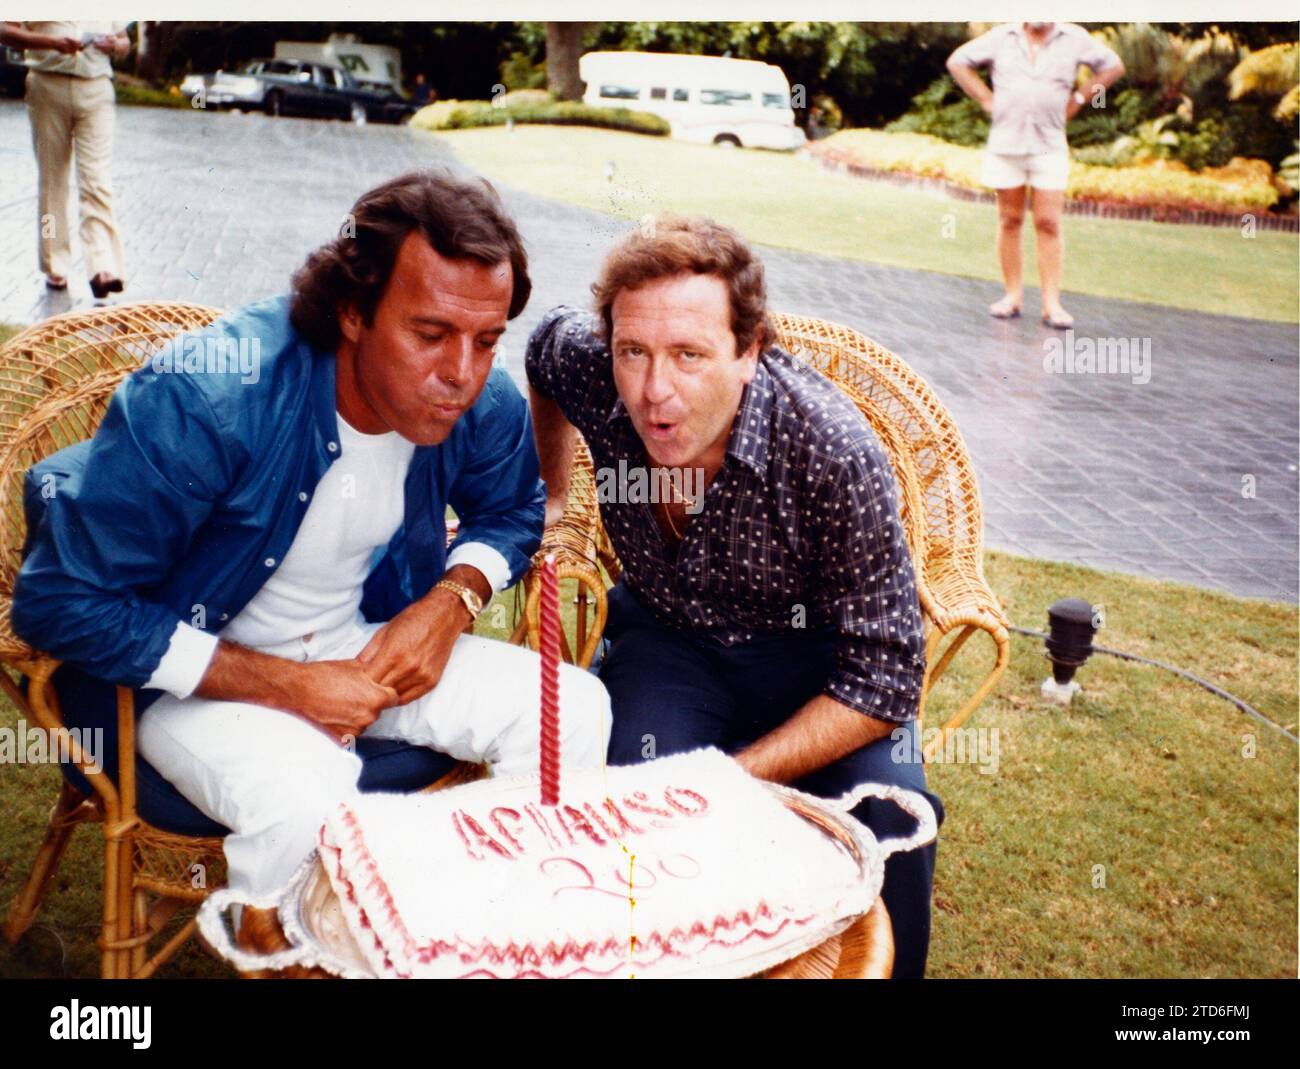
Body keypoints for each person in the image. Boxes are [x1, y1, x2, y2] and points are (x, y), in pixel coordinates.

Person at [11, 171, 612, 933]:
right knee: (314, 799)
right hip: (183, 682)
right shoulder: (209, 399)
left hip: (358, 647)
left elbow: (519, 507)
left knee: (573, 708)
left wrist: (451, 599)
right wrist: (292, 688)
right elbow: (60, 602)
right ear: (352, 312)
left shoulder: (472, 397)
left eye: (487, 339)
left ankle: (502, 930)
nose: (463, 373)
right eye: (430, 334)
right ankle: (284, 939)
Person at [526, 215, 940, 978]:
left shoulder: (833, 451)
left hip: (818, 670)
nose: (656, 391)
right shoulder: (589, 363)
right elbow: (541, 350)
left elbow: (884, 677)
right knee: (631, 814)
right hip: (668, 640)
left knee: (888, 815)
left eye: (690, 355)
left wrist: (729, 780)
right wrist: (553, 489)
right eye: (634, 353)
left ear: (750, 350)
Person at [947, 22, 1124, 328]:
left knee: (1048, 223)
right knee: (1009, 219)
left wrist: (1080, 99)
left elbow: (1112, 67)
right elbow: (958, 62)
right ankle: (1012, 296)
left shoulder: (1074, 38)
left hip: (1050, 145)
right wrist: (986, 100)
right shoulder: (1002, 36)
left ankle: (1051, 304)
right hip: (1007, 143)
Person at [0, 20, 131, 299]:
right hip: (47, 84)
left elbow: (124, 41)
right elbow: (5, 31)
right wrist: (51, 43)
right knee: (52, 181)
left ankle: (102, 266)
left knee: (96, 180)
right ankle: (55, 265)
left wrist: (115, 45)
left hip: (96, 88)